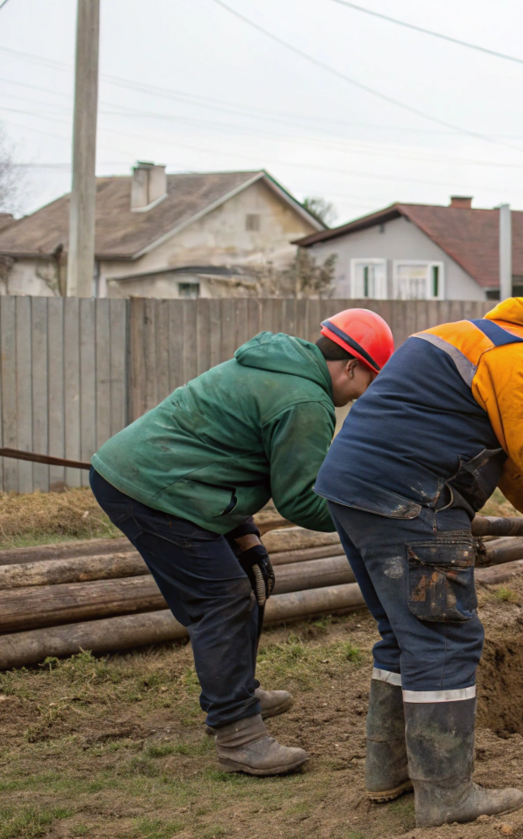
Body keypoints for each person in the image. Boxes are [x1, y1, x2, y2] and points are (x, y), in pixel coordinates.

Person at [314, 290, 523, 827]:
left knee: (400, 634)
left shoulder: (467, 337)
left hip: (352, 492)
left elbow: (507, 459)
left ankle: (387, 773)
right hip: (411, 502)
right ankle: (445, 795)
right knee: (444, 639)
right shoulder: (521, 353)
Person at [89, 309, 395, 777]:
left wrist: (244, 531)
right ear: (352, 367)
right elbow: (300, 500)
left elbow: (226, 450)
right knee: (223, 597)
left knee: (248, 577)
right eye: (369, 382)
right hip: (153, 490)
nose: (364, 395)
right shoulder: (304, 401)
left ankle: (236, 693)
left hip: (172, 480)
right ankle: (238, 735)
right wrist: (370, 515)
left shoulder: (277, 366)